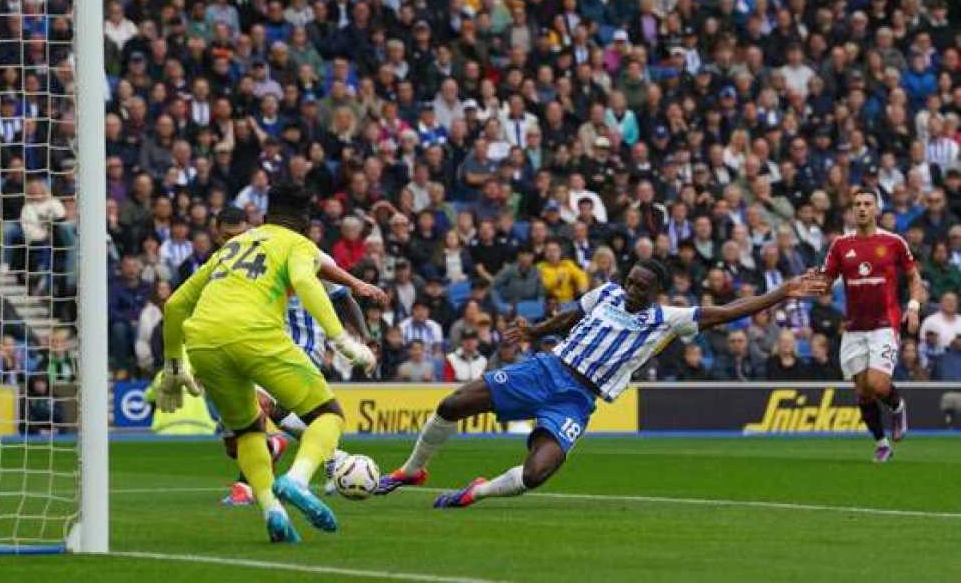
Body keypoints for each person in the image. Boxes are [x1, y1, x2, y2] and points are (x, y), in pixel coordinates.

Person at [375, 258, 823, 507]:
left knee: (536, 473)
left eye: (641, 287)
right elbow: (573, 313)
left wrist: (780, 293)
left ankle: (478, 491)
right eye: (630, 281)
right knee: (455, 403)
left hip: (577, 398)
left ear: (655, 293)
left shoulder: (668, 320)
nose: (631, 290)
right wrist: (536, 331)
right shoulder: (607, 292)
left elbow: (726, 313)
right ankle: (412, 470)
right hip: (545, 369)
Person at [157, 183, 376, 543]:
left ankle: (271, 509)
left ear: (264, 214)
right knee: (328, 416)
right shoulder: (298, 244)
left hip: (203, 343)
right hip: (256, 336)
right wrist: (344, 342)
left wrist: (172, 365)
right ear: (305, 220)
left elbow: (175, 305)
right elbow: (307, 283)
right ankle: (297, 480)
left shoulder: (233, 246)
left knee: (247, 432)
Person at [818, 188, 924, 462]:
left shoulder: (894, 242)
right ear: (852, 210)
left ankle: (898, 406)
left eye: (867, 204)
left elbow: (913, 277)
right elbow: (826, 281)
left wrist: (913, 307)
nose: (862, 208)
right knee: (863, 391)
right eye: (857, 204)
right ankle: (881, 443)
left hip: (884, 324)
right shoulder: (841, 245)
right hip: (854, 327)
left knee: (878, 384)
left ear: (876, 209)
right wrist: (813, 283)